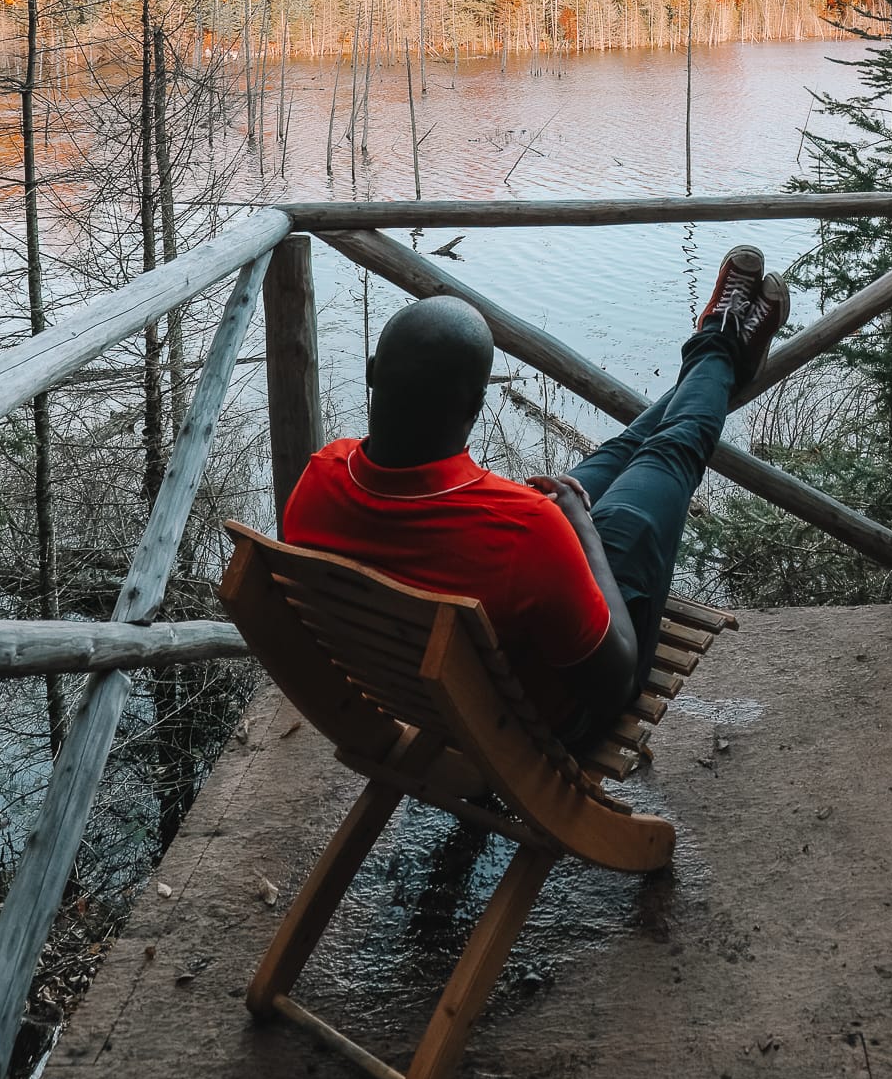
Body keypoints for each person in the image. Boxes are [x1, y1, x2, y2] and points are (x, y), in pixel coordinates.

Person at [281, 246, 788, 740]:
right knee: (668, 454)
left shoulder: (319, 477)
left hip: (436, 697)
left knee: (627, 446)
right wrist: (581, 526)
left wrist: (561, 516)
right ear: (477, 405)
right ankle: (721, 349)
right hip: (550, 720)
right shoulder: (526, 530)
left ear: (372, 374)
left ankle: (718, 350)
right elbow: (614, 682)